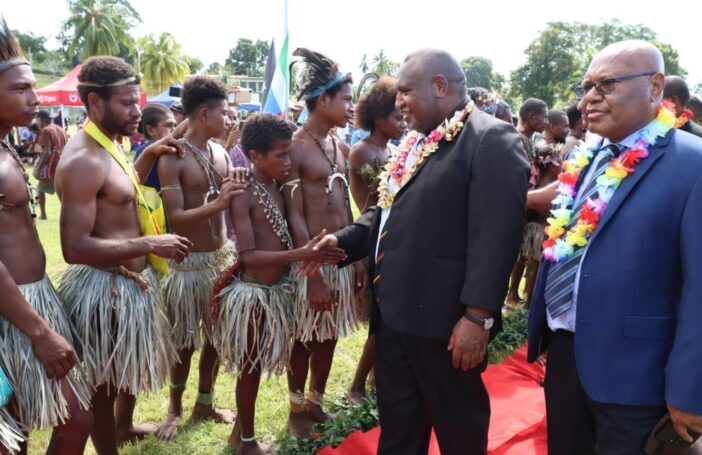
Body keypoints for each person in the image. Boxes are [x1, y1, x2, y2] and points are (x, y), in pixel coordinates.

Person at [307, 49, 529, 454]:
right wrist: (341, 241)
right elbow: (385, 214)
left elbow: (496, 236)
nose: (399, 102)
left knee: (458, 431)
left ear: (440, 86)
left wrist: (477, 317)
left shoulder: (489, 139)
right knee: (399, 431)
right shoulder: (415, 143)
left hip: (448, 329)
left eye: (406, 91)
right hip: (394, 318)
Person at [528, 40, 702, 454]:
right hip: (567, 358)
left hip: (637, 377)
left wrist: (689, 389)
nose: (589, 98)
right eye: (585, 87)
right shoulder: (585, 157)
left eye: (606, 84)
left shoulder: (693, 165)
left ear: (656, 87)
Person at [55, 56, 192, 455]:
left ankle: (119, 432)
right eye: (127, 103)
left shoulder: (108, 146)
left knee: (114, 380)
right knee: (101, 386)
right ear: (95, 103)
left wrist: (146, 157)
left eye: (137, 101)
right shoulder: (82, 158)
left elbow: (115, 192)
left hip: (127, 286)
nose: (137, 111)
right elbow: (74, 247)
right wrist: (150, 244)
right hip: (105, 288)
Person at [210, 113, 347, 454]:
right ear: (255, 156)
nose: (288, 162)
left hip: (275, 293)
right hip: (253, 293)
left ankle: (240, 434)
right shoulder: (243, 191)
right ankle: (246, 442)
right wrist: (300, 254)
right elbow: (250, 256)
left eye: (289, 153)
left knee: (256, 366)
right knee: (250, 368)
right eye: (280, 155)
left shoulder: (277, 185)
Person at [0, 18, 93, 455]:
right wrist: (38, 332)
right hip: (14, 312)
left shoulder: (5, 147)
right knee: (68, 418)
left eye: (33, 87)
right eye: (21, 88)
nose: (35, 98)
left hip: (29, 302)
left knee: (25, 425)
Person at [154, 75, 245, 441]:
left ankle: (204, 402)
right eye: (224, 112)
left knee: (218, 339)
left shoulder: (221, 152)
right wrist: (219, 204)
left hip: (221, 262)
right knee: (184, 342)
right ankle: (174, 409)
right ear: (204, 114)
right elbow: (175, 217)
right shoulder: (173, 157)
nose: (230, 118)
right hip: (188, 267)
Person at [280, 48, 365, 437]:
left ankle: (315, 402)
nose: (352, 106)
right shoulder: (295, 146)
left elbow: (344, 203)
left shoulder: (336, 144)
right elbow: (294, 213)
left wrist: (357, 257)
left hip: (340, 257)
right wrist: (311, 272)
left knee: (329, 334)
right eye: (346, 99)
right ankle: (296, 410)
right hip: (311, 263)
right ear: (324, 99)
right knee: (304, 337)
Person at [345, 77, 405, 405]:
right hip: (374, 239)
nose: (403, 122)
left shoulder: (390, 150)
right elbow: (380, 201)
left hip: (392, 237)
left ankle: (375, 376)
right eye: (397, 117)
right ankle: (356, 385)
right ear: (378, 118)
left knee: (389, 319)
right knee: (382, 320)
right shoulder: (363, 151)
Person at [505, 97, 549, 306]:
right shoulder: (516, 139)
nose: (546, 122)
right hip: (515, 203)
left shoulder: (531, 141)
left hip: (525, 202)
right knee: (512, 251)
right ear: (532, 118)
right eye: (544, 117)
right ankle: (508, 294)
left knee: (521, 250)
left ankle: (512, 295)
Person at [133, 103, 177, 192]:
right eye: (169, 125)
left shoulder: (140, 149)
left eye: (175, 125)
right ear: (150, 130)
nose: (174, 130)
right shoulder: (156, 151)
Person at [32, 109, 67, 220]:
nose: (36, 122)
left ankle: (43, 214)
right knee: (63, 191)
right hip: (64, 163)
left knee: (40, 190)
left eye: (37, 120)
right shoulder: (61, 129)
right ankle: (69, 213)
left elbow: (46, 151)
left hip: (53, 165)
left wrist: (39, 168)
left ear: (41, 120)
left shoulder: (46, 131)